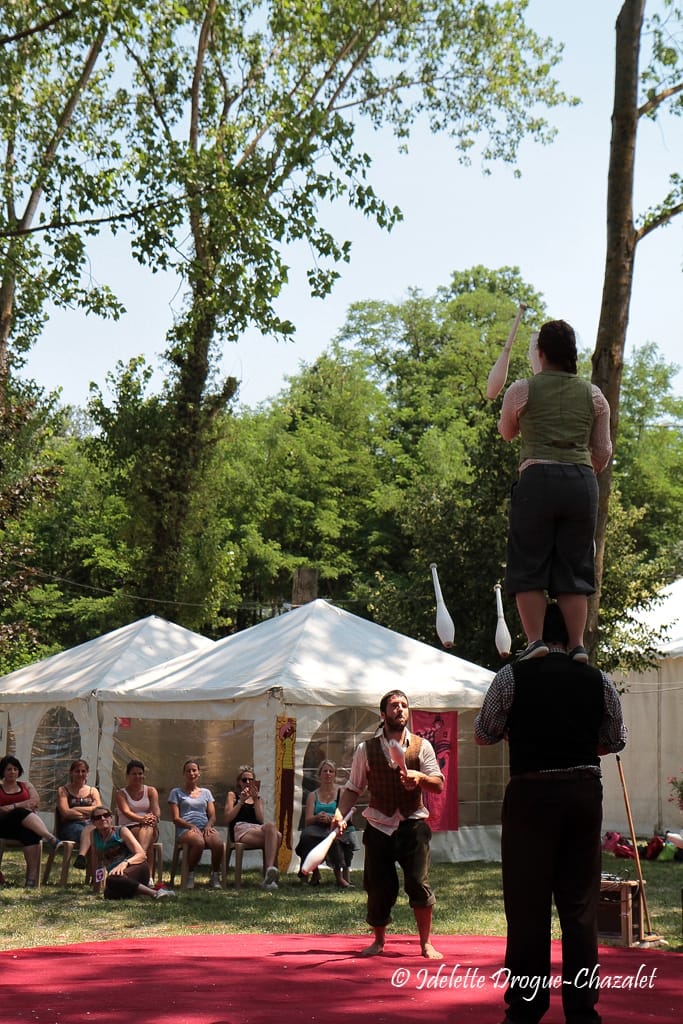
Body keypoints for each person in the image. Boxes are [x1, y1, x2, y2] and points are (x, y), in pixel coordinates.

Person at [474, 602, 627, 1024]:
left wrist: (518, 733)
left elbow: (483, 732)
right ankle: (582, 1010)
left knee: (528, 906)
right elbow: (616, 738)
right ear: (572, 631)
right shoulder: (598, 679)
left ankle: (525, 1008)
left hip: (531, 796)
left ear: (535, 631)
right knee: (580, 908)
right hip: (582, 794)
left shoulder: (511, 676)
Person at [498, 319, 612, 661]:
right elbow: (603, 451)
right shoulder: (594, 395)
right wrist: (580, 469)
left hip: (537, 479)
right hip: (581, 483)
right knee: (575, 567)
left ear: (541, 352)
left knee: (528, 565)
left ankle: (536, 642)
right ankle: (577, 645)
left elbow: (507, 432)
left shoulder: (522, 390)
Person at [335, 690, 444, 959]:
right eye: (394, 706)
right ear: (383, 714)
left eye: (404, 705)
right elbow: (353, 787)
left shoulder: (422, 746)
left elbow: (438, 784)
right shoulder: (366, 749)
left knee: (418, 883)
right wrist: (339, 813)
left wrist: (420, 778)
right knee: (378, 887)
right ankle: (379, 941)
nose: (400, 709)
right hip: (379, 825)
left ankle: (426, 943)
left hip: (413, 825)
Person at [78, 806, 174, 901]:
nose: (103, 819)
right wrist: (97, 885)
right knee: (108, 894)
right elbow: (97, 861)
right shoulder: (93, 835)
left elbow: (141, 854)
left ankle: (155, 893)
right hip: (118, 875)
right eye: (98, 817)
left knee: (112, 879)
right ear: (93, 822)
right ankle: (142, 893)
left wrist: (125, 863)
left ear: (111, 818)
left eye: (106, 815)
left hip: (136, 866)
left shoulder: (121, 831)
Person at [0, 755, 61, 887]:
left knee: (32, 834)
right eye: (9, 769)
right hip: (4, 827)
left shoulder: (26, 785)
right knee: (19, 812)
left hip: (24, 828)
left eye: (15, 769)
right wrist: (20, 806)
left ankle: (31, 879)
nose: (12, 772)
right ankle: (49, 837)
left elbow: (35, 801)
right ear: (2, 771)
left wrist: (12, 806)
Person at [295, 759, 355, 888]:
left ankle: (339, 878)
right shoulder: (313, 795)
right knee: (306, 836)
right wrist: (318, 817)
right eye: (325, 771)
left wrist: (333, 818)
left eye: (331, 771)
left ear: (335, 774)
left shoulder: (341, 792)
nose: (328, 773)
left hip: (336, 827)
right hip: (317, 827)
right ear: (319, 775)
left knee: (332, 838)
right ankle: (312, 872)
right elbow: (308, 820)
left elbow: (347, 815)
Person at [168, 760, 224, 890]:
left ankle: (215, 875)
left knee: (218, 843)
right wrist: (190, 826)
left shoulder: (206, 793)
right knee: (199, 842)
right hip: (185, 829)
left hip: (204, 827)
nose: (191, 773)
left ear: (199, 773)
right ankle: (190, 874)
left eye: (194, 770)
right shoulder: (176, 792)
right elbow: (176, 818)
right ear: (184, 774)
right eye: (188, 771)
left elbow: (212, 816)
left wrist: (209, 825)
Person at [224, 765, 282, 891]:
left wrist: (255, 800)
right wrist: (241, 802)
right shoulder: (233, 795)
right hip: (240, 829)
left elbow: (260, 820)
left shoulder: (258, 799)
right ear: (239, 782)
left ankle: (269, 872)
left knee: (272, 829)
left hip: (256, 829)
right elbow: (227, 818)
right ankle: (269, 874)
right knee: (276, 837)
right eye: (244, 780)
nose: (247, 782)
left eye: (250, 780)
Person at [115, 759, 161, 881]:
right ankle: (148, 876)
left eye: (140, 773)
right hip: (128, 827)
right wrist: (142, 819)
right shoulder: (121, 793)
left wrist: (152, 818)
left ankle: (139, 856)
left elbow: (156, 811)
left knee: (148, 830)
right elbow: (126, 812)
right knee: (147, 839)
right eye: (134, 774)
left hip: (149, 825)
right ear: (128, 775)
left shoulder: (151, 791)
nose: (137, 777)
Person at [56, 759, 102, 866]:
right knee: (93, 834)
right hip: (70, 826)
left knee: (93, 831)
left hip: (90, 824)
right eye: (77, 771)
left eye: (83, 771)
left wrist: (76, 809)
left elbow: (99, 809)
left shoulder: (93, 791)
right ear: (71, 773)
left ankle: (82, 857)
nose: (80, 774)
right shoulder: (63, 790)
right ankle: (92, 869)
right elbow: (65, 813)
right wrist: (89, 812)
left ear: (87, 773)